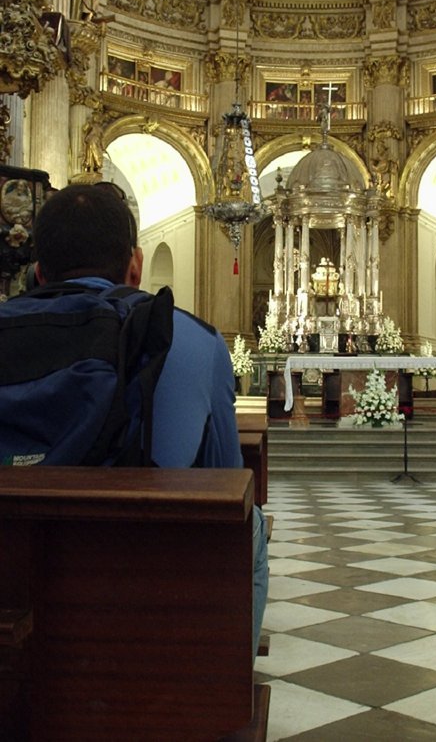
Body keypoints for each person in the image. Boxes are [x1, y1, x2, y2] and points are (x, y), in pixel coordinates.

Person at [25, 183, 268, 659]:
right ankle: (218, 688)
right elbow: (225, 482)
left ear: (37, 271)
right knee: (252, 526)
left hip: (16, 582)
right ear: (135, 265)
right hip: (141, 584)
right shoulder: (193, 340)